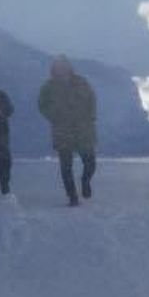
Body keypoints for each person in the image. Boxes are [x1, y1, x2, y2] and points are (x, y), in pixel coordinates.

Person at [37, 55, 98, 206]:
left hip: (83, 130)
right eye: (58, 66)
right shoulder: (48, 87)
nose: (62, 68)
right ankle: (72, 196)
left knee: (90, 162)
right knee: (66, 166)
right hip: (62, 131)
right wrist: (54, 116)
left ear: (69, 67)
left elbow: (92, 98)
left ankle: (85, 180)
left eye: (64, 65)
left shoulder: (81, 82)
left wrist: (90, 116)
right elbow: (42, 105)